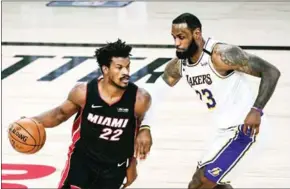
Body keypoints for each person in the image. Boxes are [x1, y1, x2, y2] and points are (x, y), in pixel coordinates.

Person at [151, 13, 281, 189]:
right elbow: (157, 89)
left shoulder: (221, 55)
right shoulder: (179, 65)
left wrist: (256, 110)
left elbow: (271, 72)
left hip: (246, 129)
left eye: (181, 37)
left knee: (204, 182)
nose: (177, 43)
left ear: (197, 34)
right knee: (205, 183)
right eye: (174, 37)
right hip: (222, 132)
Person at [27, 39, 153, 189]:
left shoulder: (139, 98)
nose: (125, 72)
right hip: (82, 162)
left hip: (115, 167)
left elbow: (140, 124)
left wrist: (134, 159)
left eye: (127, 67)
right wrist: (30, 121)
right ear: (105, 69)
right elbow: (58, 115)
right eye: (119, 68)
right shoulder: (83, 92)